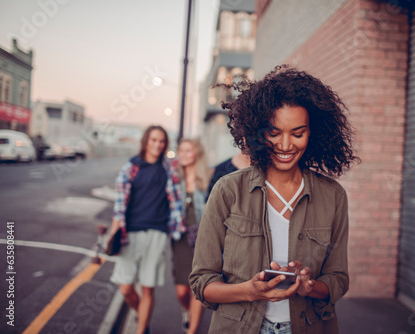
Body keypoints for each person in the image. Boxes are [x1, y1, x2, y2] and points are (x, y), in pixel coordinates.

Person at [189, 65, 359, 333]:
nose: (285, 145)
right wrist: (248, 291)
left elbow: (338, 280)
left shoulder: (333, 196)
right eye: (274, 132)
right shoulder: (228, 190)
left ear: (312, 133)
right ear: (258, 131)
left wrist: (309, 287)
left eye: (297, 133)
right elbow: (202, 282)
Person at [109, 125, 184, 334]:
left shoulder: (168, 169)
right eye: (153, 140)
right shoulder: (131, 168)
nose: (157, 145)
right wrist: (112, 233)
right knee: (125, 287)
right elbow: (119, 205)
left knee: (147, 287)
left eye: (161, 141)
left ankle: (142, 330)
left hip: (157, 233)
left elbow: (176, 202)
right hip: (130, 233)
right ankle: (140, 312)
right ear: (146, 141)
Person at [172, 138, 211, 333]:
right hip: (180, 240)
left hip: (201, 241)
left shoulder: (207, 179)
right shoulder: (174, 179)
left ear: (197, 153)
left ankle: (192, 330)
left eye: (188, 150)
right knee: (181, 291)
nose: (184, 154)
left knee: (197, 287)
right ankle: (185, 310)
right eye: (181, 150)